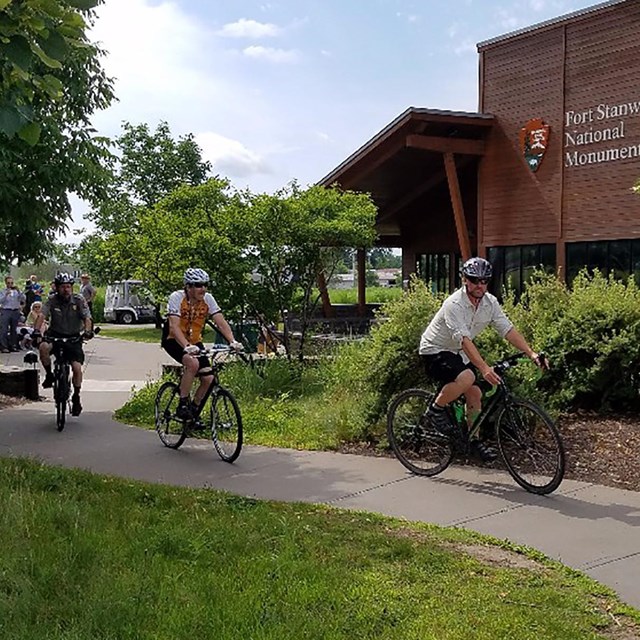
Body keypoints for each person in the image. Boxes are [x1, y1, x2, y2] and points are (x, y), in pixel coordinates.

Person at [418, 257, 547, 462]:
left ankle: (473, 441)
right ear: (464, 280)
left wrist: (531, 353)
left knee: (475, 393)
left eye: (484, 281)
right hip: (435, 350)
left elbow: (507, 330)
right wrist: (484, 368)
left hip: (457, 353)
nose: (480, 285)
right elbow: (464, 341)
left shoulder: (490, 303)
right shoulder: (454, 304)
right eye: (474, 280)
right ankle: (436, 409)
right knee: (468, 377)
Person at [161, 267, 242, 420]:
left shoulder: (208, 299)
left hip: (195, 340)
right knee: (192, 364)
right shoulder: (177, 297)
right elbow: (174, 326)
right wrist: (186, 346)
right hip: (174, 340)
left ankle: (194, 411)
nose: (203, 288)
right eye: (198, 285)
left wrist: (232, 341)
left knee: (209, 378)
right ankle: (183, 404)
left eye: (205, 285)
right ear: (188, 286)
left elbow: (221, 322)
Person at [32, 273, 93, 417]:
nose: (66, 290)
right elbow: (42, 315)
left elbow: (87, 317)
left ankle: (76, 396)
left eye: (68, 287)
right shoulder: (52, 300)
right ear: (57, 288)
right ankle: (49, 375)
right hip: (55, 335)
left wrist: (88, 331)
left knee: (77, 368)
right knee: (43, 348)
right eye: (63, 287)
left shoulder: (78, 300)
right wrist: (36, 331)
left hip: (73, 338)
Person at [0, 276, 26, 352]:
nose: (10, 284)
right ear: (6, 283)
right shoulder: (2, 291)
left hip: (15, 310)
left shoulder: (17, 291)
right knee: (4, 329)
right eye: (8, 283)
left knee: (13, 330)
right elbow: (0, 301)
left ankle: (13, 345)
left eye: (11, 283)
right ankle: (4, 347)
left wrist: (19, 291)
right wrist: (6, 295)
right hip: (6, 310)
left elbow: (23, 299)